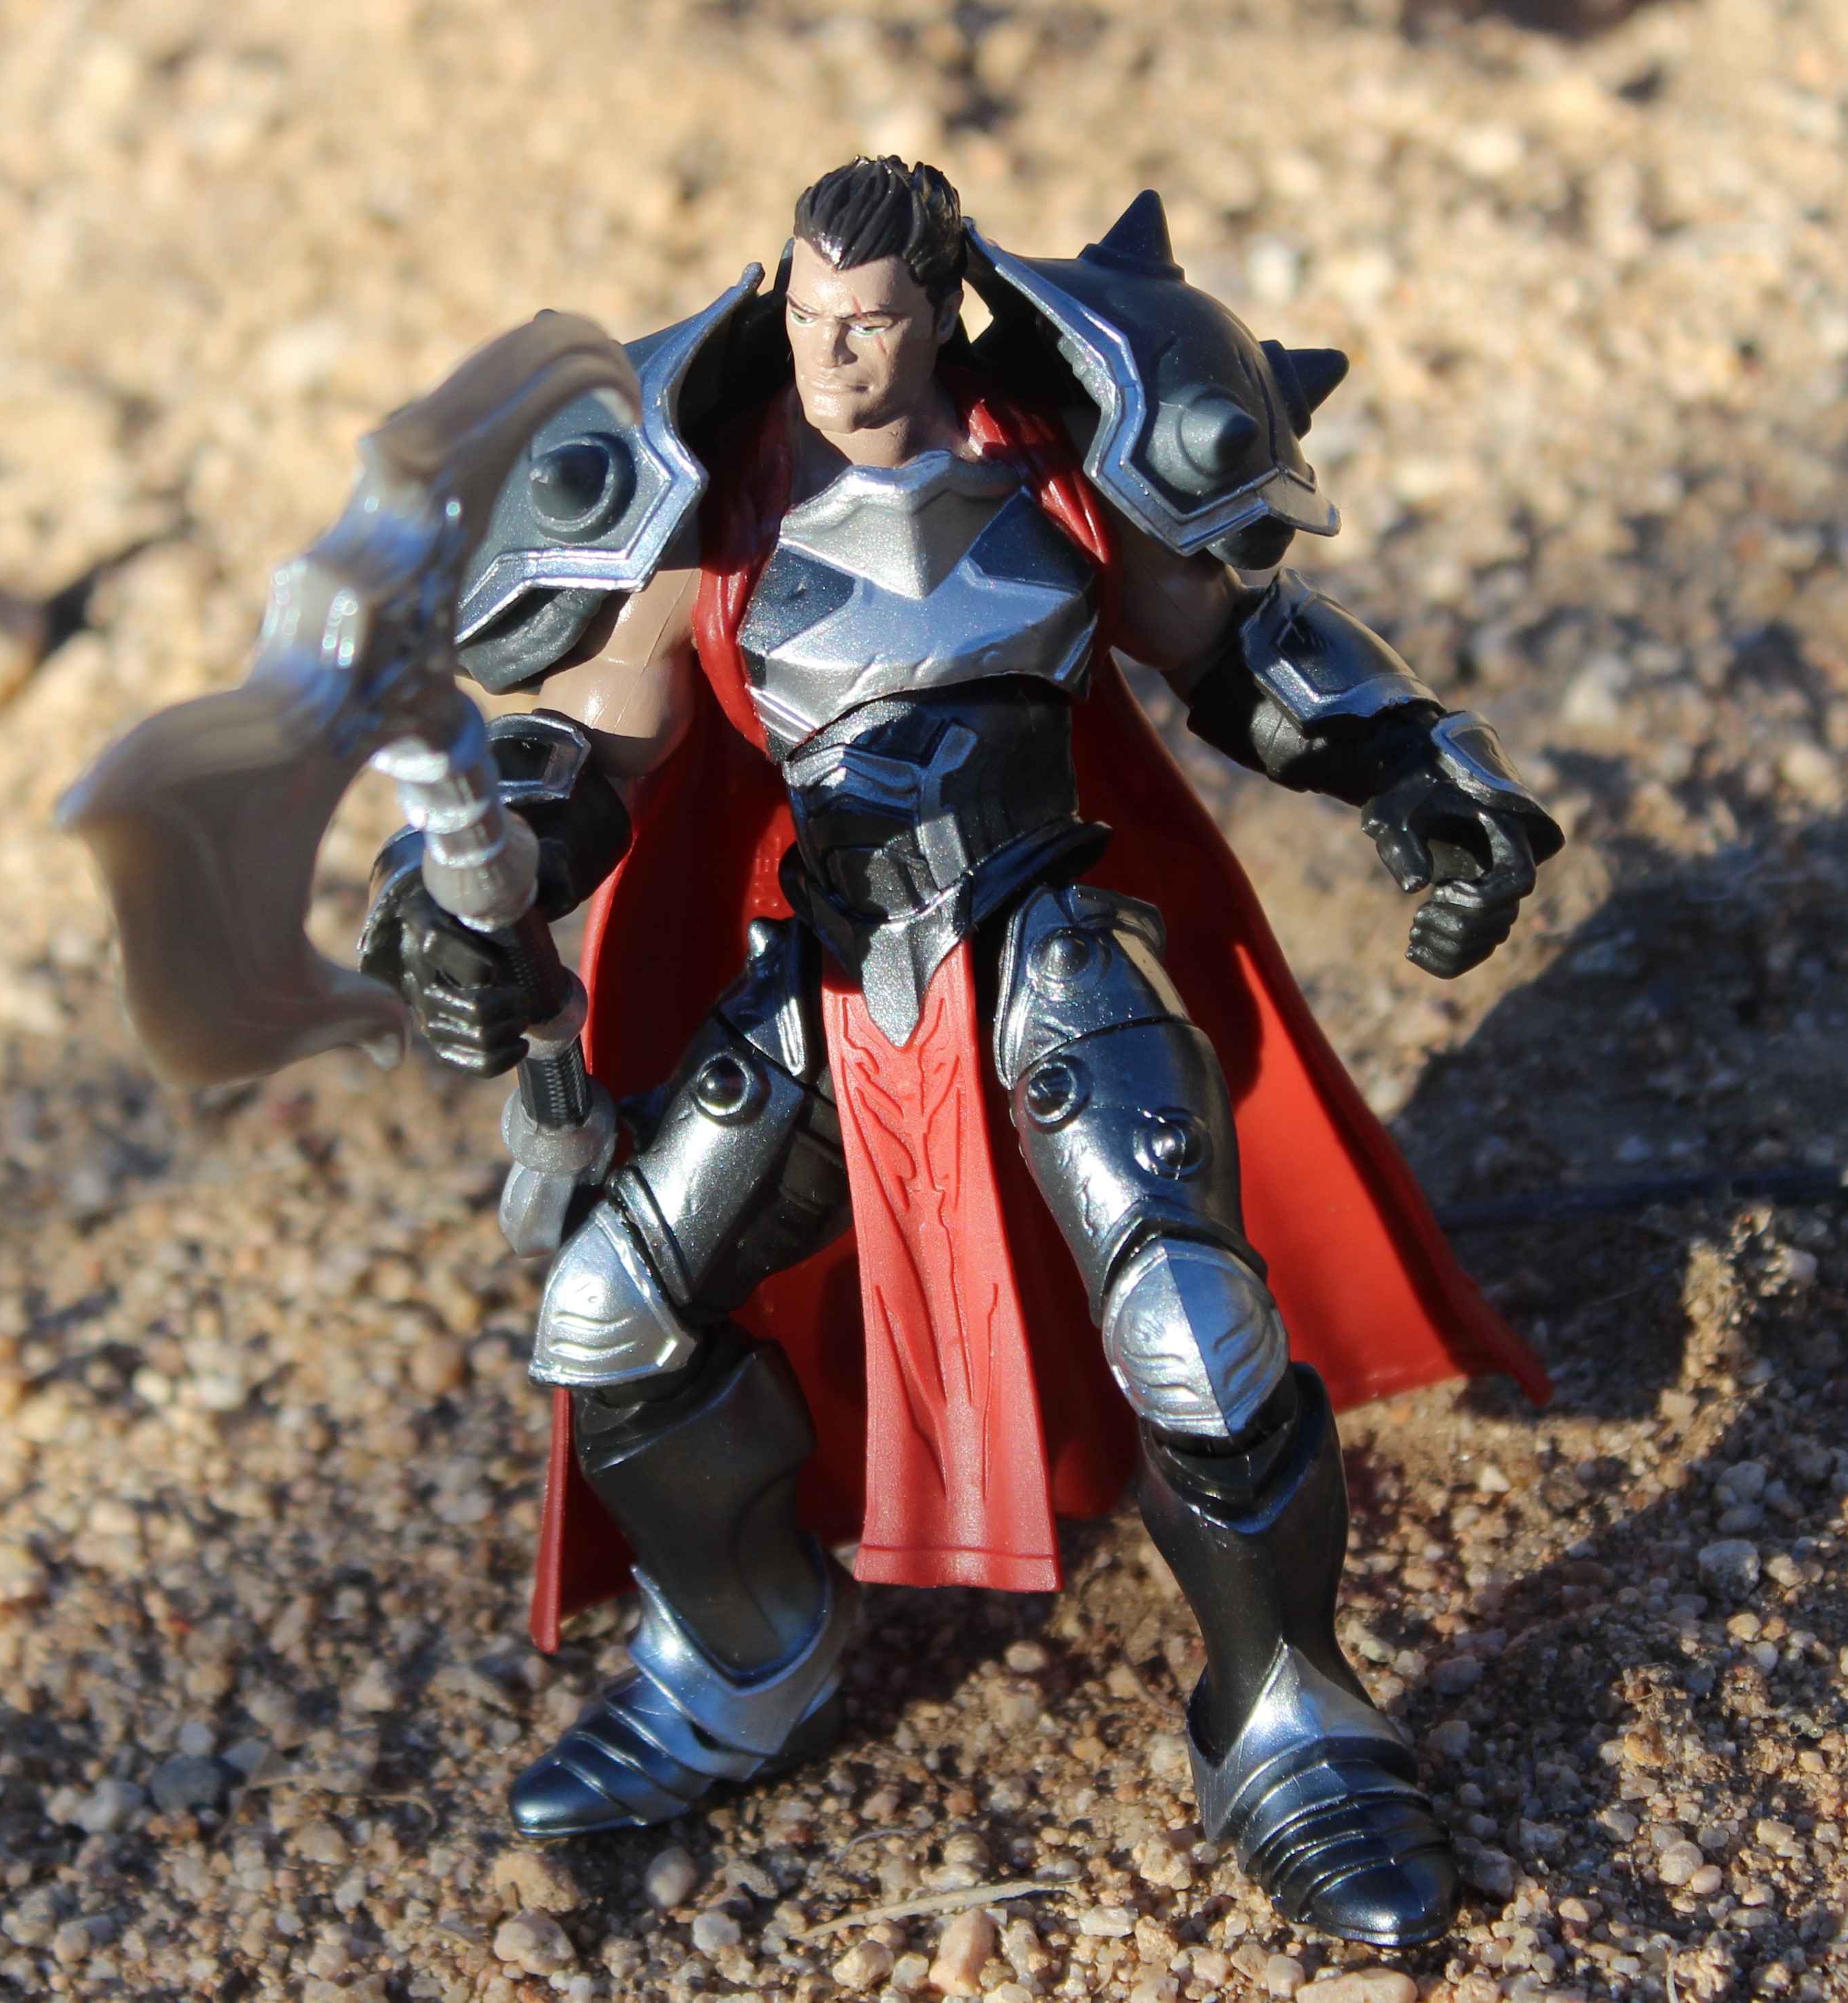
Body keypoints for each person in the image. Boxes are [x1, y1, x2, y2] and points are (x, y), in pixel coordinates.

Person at [361, 157, 1562, 1946]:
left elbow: (1234, 650)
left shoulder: (1059, 459)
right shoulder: (713, 497)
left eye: (872, 319)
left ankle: (1292, 1724)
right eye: (810, 315)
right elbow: (596, 753)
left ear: (939, 311)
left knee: (1193, 1320)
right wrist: (469, 887)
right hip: (833, 980)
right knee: (610, 1309)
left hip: (1057, 951)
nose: (836, 351)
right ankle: (746, 1653)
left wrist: (1420, 774)